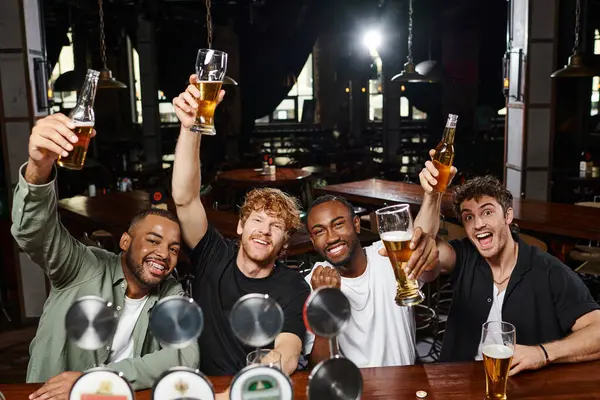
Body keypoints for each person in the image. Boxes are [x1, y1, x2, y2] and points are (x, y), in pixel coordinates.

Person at [12, 114, 199, 400]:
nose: (163, 253)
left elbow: (185, 356)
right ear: (125, 241)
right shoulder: (81, 266)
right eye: (152, 240)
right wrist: (39, 167)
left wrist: (96, 380)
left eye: (173, 248)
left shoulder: (169, 291)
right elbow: (33, 232)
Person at [412, 150, 600, 376]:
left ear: (508, 216)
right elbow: (420, 247)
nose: (478, 224)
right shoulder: (464, 255)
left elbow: (597, 331)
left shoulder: (549, 271)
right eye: (468, 217)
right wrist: (433, 194)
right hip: (459, 384)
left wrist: (542, 353)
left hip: (520, 388)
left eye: (487, 212)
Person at [171, 75, 311, 378]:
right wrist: (190, 128)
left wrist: (243, 388)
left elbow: (287, 354)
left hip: (256, 390)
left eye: (275, 226)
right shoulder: (212, 256)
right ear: (240, 227)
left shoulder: (293, 286)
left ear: (285, 243)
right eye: (257, 220)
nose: (263, 230)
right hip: (205, 387)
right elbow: (185, 198)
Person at [303, 195, 440, 367]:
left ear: (356, 224)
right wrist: (326, 302)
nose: (331, 238)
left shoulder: (389, 254)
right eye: (319, 232)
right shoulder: (312, 284)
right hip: (353, 388)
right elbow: (318, 367)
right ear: (313, 241)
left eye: (338, 224)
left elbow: (425, 254)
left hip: (405, 382)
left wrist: (432, 194)